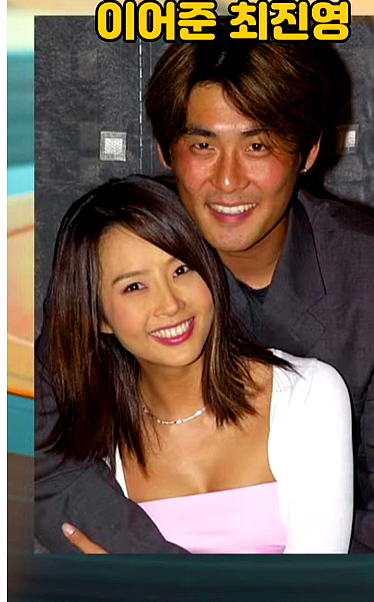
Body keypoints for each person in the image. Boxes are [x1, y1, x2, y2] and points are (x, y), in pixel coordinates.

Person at [35, 28, 374, 554]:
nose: (228, 180)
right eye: (203, 145)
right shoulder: (122, 249)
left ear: (308, 151)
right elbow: (41, 452)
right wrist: (158, 578)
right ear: (167, 151)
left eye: (257, 145)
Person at [40, 176, 353, 554]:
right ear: (98, 316)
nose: (170, 304)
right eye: (134, 287)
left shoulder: (308, 394)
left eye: (181, 270)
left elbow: (315, 586)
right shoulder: (92, 433)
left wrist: (145, 587)